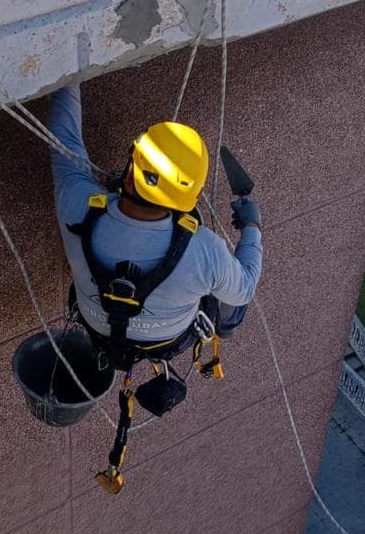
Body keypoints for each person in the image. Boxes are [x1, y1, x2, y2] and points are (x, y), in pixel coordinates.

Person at [48, 84, 263, 375]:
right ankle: (225, 327)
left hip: (98, 324)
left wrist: (67, 74)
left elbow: (64, 137)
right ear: (189, 197)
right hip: (166, 340)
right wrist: (252, 227)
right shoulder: (206, 251)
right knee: (230, 292)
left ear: (129, 172)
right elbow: (245, 289)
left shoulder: (78, 206)